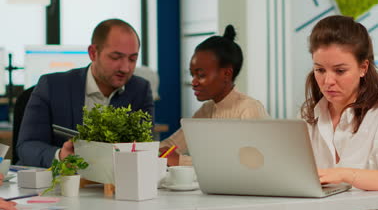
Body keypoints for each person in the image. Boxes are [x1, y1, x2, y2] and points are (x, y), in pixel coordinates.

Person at [301, 15, 378, 198]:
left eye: (340, 71)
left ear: (363, 68)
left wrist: (343, 174)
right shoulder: (308, 116)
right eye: (320, 70)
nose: (327, 81)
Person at [17, 19, 154, 168]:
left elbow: (144, 146)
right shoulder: (52, 86)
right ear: (93, 53)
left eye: (132, 59)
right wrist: (61, 156)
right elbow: (27, 146)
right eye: (116, 57)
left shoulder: (140, 89)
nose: (126, 68)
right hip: (58, 184)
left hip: (113, 185)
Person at [160, 25, 269, 165]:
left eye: (201, 75)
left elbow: (244, 165)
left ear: (226, 74)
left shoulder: (249, 109)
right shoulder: (205, 111)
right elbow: (170, 146)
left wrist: (180, 161)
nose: (193, 82)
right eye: (192, 74)